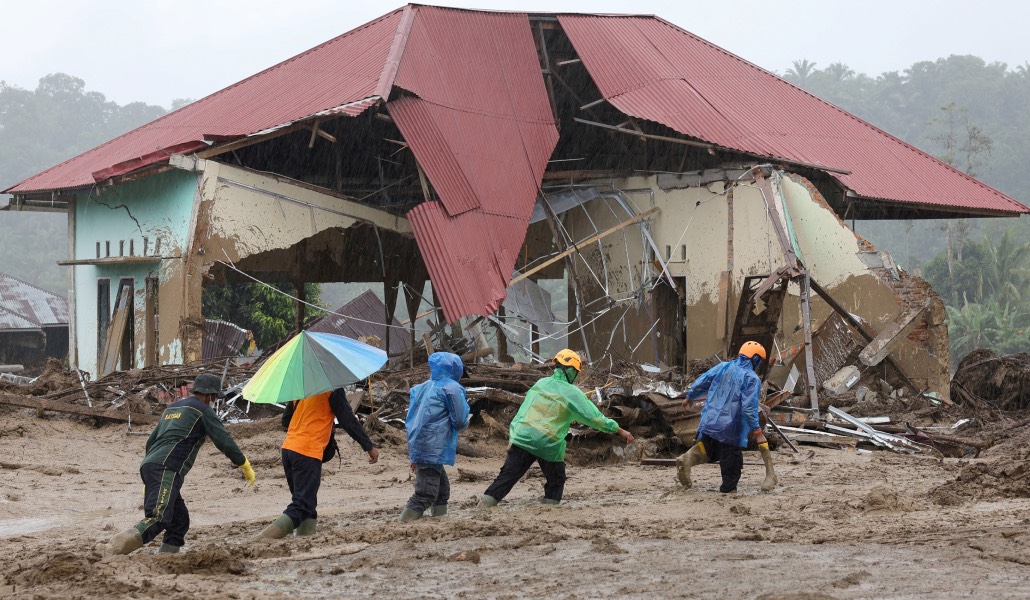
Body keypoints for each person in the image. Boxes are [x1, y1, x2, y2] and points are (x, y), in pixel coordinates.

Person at [107, 373, 256, 555]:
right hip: (166, 468)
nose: (214, 401)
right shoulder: (203, 410)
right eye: (215, 397)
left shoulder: (172, 408)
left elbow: (152, 441)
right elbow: (223, 439)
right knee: (158, 517)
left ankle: (166, 558)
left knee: (179, 521)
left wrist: (150, 478)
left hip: (151, 464)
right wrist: (244, 464)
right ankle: (114, 548)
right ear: (209, 394)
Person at [478, 349, 634, 508]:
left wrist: (514, 436)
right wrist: (620, 430)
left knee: (507, 476)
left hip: (522, 436)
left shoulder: (541, 383)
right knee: (556, 479)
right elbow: (594, 418)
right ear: (572, 371)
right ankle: (549, 508)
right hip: (548, 442)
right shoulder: (573, 392)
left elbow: (524, 411)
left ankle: (484, 505)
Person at [254, 387, 378, 539]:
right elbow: (347, 420)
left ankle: (305, 541)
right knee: (301, 506)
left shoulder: (301, 387)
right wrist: (368, 446)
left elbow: (285, 420)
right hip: (307, 451)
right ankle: (257, 541)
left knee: (307, 504)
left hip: (288, 449)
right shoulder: (332, 388)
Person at [675, 341, 766, 493]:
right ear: (755, 359)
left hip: (709, 420)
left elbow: (703, 380)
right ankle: (727, 493)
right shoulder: (751, 378)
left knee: (710, 450)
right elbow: (749, 408)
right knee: (732, 463)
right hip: (730, 427)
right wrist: (758, 432)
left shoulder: (723, 366)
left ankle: (687, 459)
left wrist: (690, 396)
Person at [399, 352, 470, 522]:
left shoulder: (422, 387)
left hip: (419, 442)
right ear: (456, 368)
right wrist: (466, 421)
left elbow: (412, 418)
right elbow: (460, 420)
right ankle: (403, 524)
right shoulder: (451, 388)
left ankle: (439, 523)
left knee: (441, 491)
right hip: (433, 445)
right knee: (425, 493)